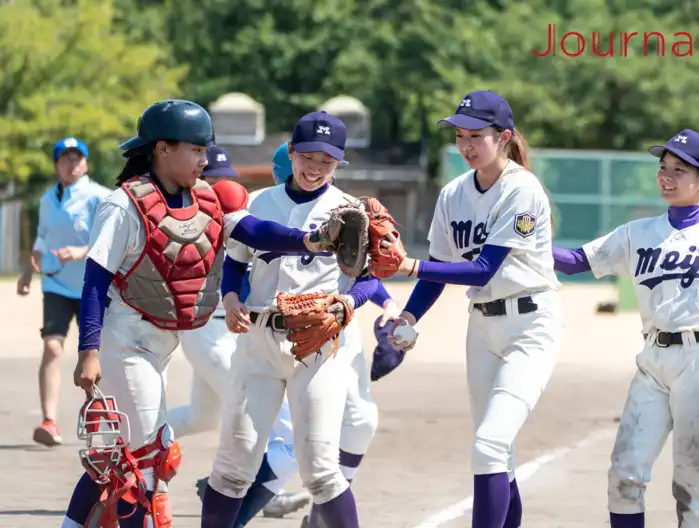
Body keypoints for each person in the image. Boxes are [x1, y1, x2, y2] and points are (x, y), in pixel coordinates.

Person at [61, 100, 341, 528]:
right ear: (163, 149)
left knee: (117, 453)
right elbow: (94, 282)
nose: (205, 160)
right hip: (125, 340)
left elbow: (255, 231)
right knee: (149, 463)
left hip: (161, 347)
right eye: (196, 149)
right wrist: (89, 351)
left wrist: (313, 240)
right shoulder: (124, 205)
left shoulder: (206, 199)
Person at [552, 129, 699, 528]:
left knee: (691, 480)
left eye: (680, 170)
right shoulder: (637, 233)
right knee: (624, 473)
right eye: (663, 168)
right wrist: (524, 244)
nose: (667, 176)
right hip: (653, 360)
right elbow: (575, 261)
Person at [375, 90, 563, 528]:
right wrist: (407, 317)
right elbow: (438, 273)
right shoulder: (453, 194)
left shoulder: (521, 189)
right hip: (481, 328)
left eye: (477, 135)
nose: (467, 145)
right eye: (461, 135)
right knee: (500, 453)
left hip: (531, 326)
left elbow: (481, 269)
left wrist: (406, 263)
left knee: (489, 444)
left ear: (504, 137)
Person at [200, 111, 389, 528]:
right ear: (291, 152)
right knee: (232, 464)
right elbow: (235, 262)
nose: (316, 168)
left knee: (321, 468)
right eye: (308, 157)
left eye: (327, 161)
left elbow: (368, 281)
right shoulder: (258, 202)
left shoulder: (348, 210)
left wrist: (348, 304)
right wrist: (231, 298)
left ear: (339, 163)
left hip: (319, 344)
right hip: (259, 339)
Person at [16, 137, 111, 446]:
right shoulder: (47, 200)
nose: (72, 164)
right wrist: (29, 269)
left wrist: (82, 251)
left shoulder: (101, 197)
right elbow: (42, 238)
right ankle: (49, 421)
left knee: (95, 356)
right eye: (66, 158)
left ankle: (98, 415)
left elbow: (113, 240)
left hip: (91, 287)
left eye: (78, 158)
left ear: (86, 163)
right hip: (56, 284)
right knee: (52, 348)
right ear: (56, 164)